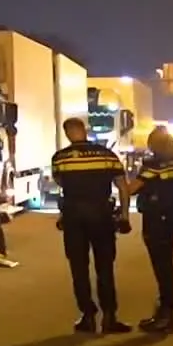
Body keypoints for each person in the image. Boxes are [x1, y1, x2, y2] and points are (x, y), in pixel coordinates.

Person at [51, 116, 133, 334]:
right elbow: (122, 187)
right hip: (102, 215)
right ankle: (109, 317)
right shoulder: (106, 155)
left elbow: (61, 184)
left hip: (73, 217)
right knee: (105, 267)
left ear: (68, 133)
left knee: (78, 268)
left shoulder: (60, 158)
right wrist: (124, 215)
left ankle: (87, 316)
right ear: (85, 130)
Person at [126, 126, 173, 333]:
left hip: (156, 221)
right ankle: (165, 313)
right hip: (171, 217)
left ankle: (165, 316)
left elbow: (131, 189)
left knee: (163, 269)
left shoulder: (154, 166)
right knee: (166, 267)